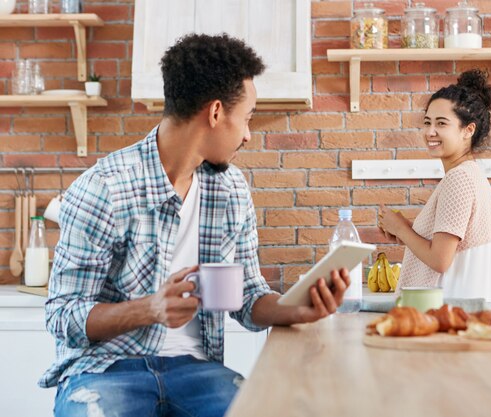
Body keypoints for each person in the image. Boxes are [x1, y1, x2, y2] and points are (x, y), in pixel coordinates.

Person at [40, 33, 350, 417]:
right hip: (106, 371)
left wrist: (298, 308)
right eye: (247, 118)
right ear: (216, 112)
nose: (248, 134)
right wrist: (149, 309)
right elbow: (61, 316)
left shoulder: (231, 188)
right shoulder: (105, 187)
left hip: (199, 372)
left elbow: (247, 298)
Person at [378, 69, 491, 305]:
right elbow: (451, 247)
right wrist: (409, 230)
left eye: (441, 123)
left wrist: (402, 229)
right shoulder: (471, 175)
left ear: (468, 130)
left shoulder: (459, 179)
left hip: (446, 316)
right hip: (460, 317)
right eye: (427, 122)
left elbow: (440, 259)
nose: (430, 132)